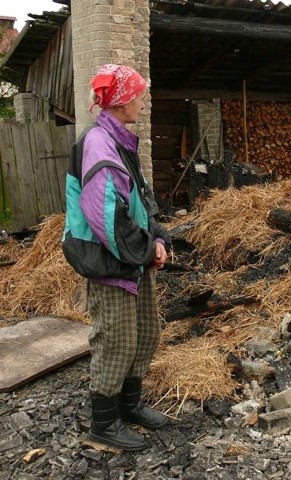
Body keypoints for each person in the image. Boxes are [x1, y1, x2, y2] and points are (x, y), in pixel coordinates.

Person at [62, 64, 171, 451]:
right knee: (116, 341)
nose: (143, 101)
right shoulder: (98, 144)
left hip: (132, 259)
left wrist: (157, 236)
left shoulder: (120, 139)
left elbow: (139, 198)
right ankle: (103, 426)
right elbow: (106, 217)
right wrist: (146, 249)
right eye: (139, 94)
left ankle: (130, 407)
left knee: (144, 334)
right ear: (122, 101)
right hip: (110, 261)